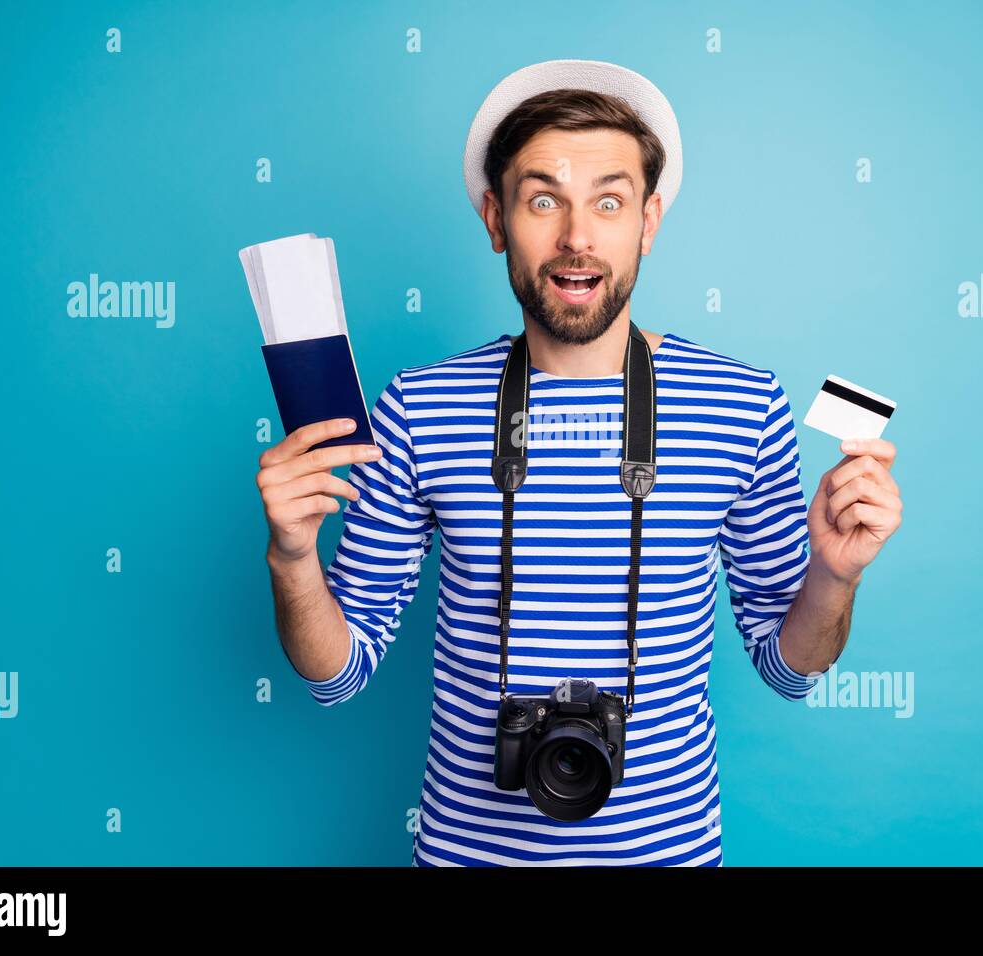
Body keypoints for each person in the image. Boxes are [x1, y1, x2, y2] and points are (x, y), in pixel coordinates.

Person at [256, 60, 903, 866]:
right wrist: (290, 559)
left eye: (608, 199)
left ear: (649, 219)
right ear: (496, 219)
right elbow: (339, 672)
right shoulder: (418, 408)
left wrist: (836, 576)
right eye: (541, 199)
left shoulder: (745, 405)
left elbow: (788, 665)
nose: (577, 236)